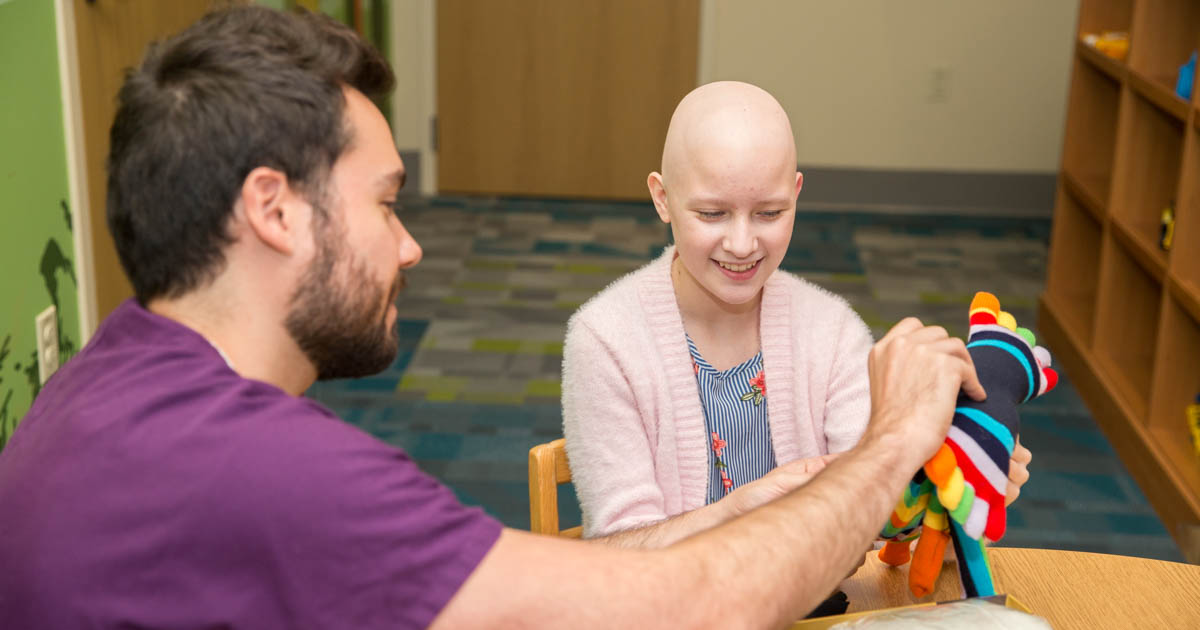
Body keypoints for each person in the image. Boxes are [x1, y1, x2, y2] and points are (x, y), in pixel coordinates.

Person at [0, 7, 986, 628]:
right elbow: (699, 610)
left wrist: (736, 507)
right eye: (385, 203)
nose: (410, 245)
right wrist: (894, 439)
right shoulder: (274, 474)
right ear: (275, 209)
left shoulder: (114, 380)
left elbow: (519, 580)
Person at [562, 81, 1033, 541]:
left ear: (797, 194)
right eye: (712, 214)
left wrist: (958, 496)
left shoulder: (831, 331)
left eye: (769, 213)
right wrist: (739, 511)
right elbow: (618, 556)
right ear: (662, 198)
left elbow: (878, 514)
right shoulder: (605, 340)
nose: (743, 244)